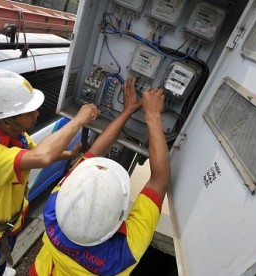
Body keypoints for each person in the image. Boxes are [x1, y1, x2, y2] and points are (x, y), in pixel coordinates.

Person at [0, 69, 98, 276]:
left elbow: (37, 152)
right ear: (6, 120)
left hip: (10, 225)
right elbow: (42, 157)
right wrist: (78, 120)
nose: (37, 114)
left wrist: (70, 153)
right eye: (29, 112)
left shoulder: (18, 136)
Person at [29, 77, 171, 275]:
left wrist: (132, 111)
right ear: (119, 217)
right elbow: (160, 180)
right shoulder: (121, 254)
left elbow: (94, 153)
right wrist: (152, 115)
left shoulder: (53, 210)